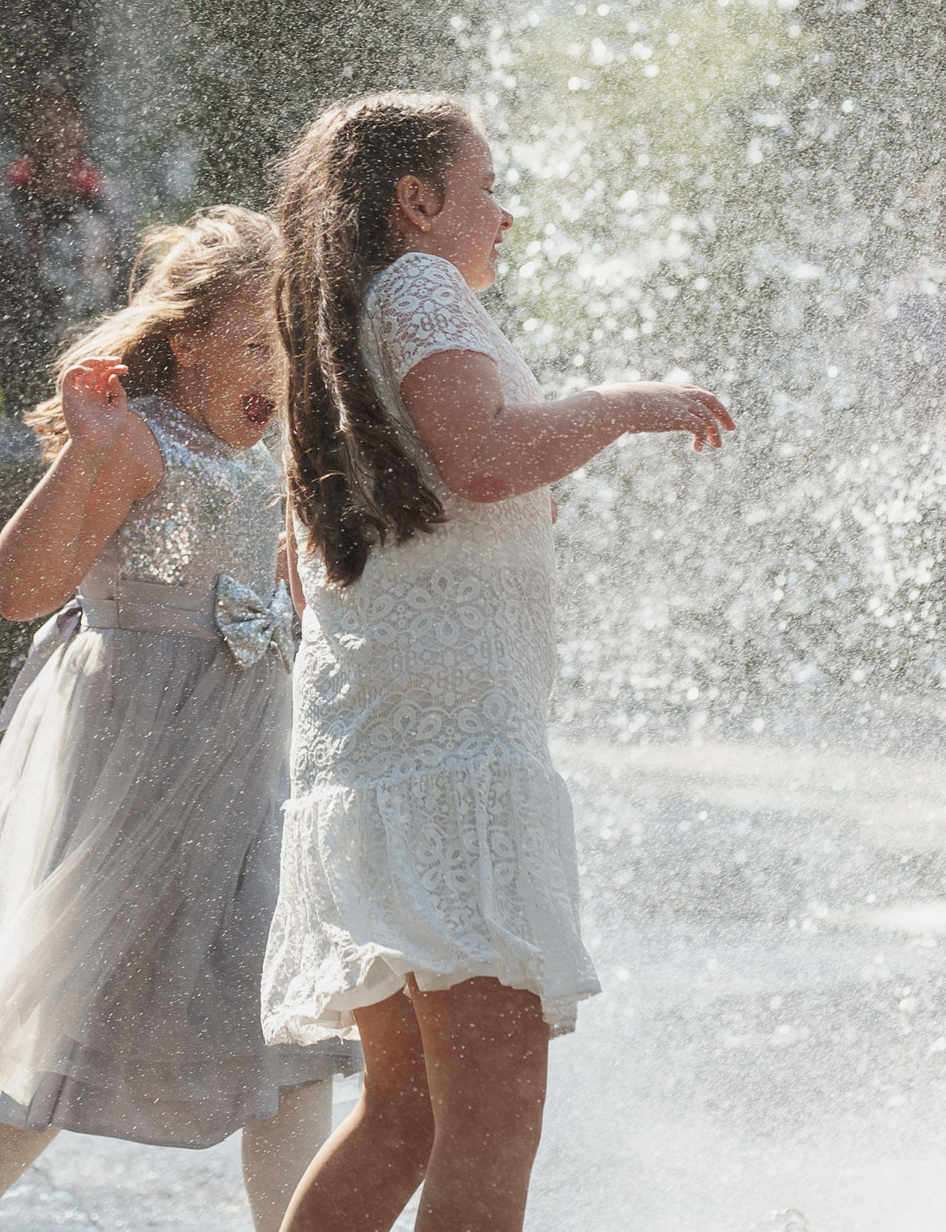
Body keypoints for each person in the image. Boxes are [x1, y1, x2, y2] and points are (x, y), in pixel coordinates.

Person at [263, 93, 735, 1232]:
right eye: (484, 187)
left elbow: (320, 554)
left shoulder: (343, 318)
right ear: (414, 202)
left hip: (377, 754)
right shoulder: (419, 286)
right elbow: (479, 458)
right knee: (490, 1116)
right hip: (453, 759)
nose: (506, 214)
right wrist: (626, 404)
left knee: (405, 1114)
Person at [0, 208, 358, 1232]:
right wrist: (87, 453)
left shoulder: (267, 453)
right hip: (137, 768)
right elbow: (20, 591)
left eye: (291, 346)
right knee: (63, 1029)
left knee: (287, 1018)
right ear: (184, 341)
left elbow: (306, 594)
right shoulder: (141, 444)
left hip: (244, 772)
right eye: (252, 345)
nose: (275, 374)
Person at [0, 79, 135, 415]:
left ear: (81, 127)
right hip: (28, 382)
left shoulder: (111, 209)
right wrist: (3, 364)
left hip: (106, 375)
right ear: (21, 132)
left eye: (63, 117)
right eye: (39, 120)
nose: (52, 131)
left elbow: (136, 286)